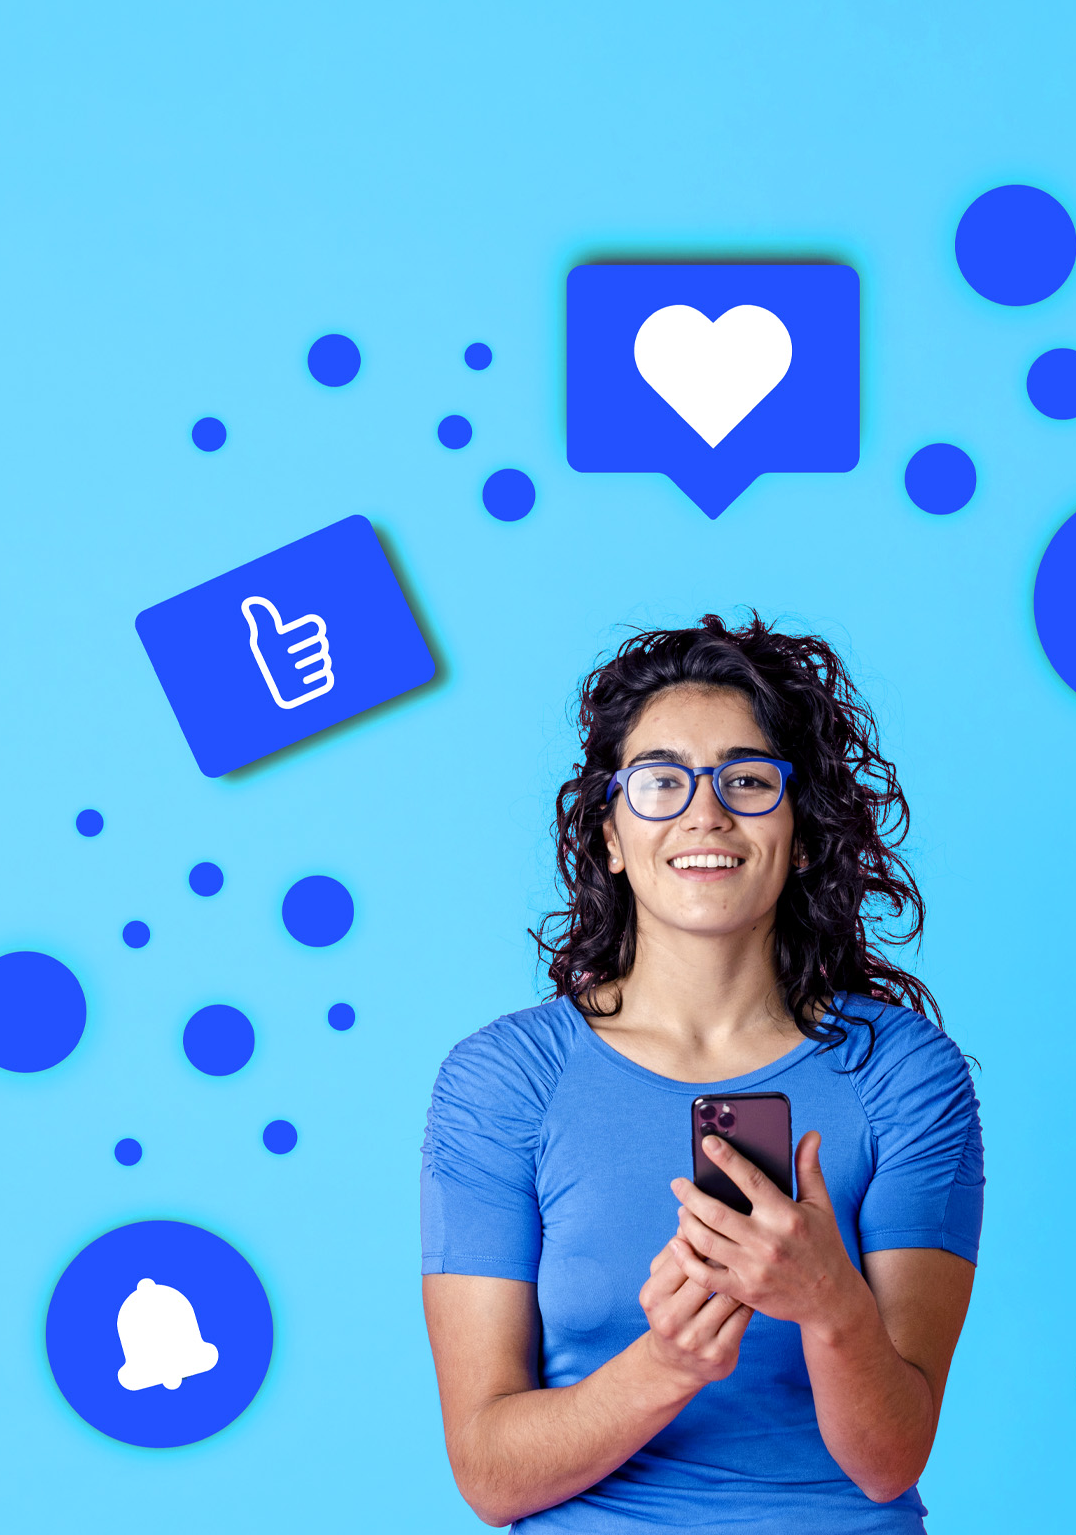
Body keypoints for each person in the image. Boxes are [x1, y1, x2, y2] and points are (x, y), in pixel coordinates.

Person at [422, 613, 983, 1532]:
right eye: (660, 782)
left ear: (803, 835)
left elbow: (890, 1463)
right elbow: (490, 1477)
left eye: (748, 781)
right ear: (608, 834)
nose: (704, 812)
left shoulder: (906, 1076)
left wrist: (830, 1304)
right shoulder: (501, 1082)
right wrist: (669, 1361)